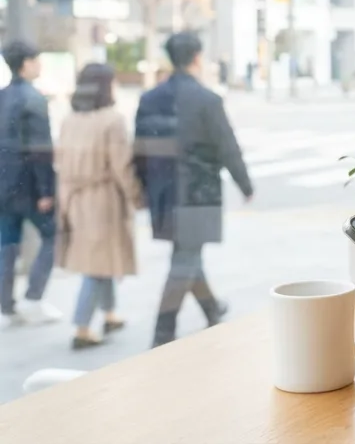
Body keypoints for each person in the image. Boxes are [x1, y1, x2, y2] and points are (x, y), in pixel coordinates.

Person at [134, 32, 253, 348]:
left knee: (186, 253)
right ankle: (162, 332)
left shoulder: (149, 98)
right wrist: (245, 184)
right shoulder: (207, 100)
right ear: (197, 57)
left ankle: (212, 308)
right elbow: (227, 146)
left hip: (163, 191)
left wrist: (145, 187)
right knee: (185, 259)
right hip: (196, 192)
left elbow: (140, 150)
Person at [55, 63, 143, 349]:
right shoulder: (112, 120)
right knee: (97, 265)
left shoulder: (70, 119)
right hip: (103, 200)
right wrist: (137, 196)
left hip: (75, 199)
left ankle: (110, 314)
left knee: (99, 259)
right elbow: (122, 166)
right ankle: (81, 328)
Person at [0, 41, 61, 326]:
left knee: (7, 244)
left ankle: (6, 307)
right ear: (25, 63)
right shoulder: (34, 99)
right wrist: (47, 190)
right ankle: (33, 298)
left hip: (3, 186)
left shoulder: (2, 96)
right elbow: (41, 150)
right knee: (52, 236)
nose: (39, 65)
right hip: (29, 186)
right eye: (36, 60)